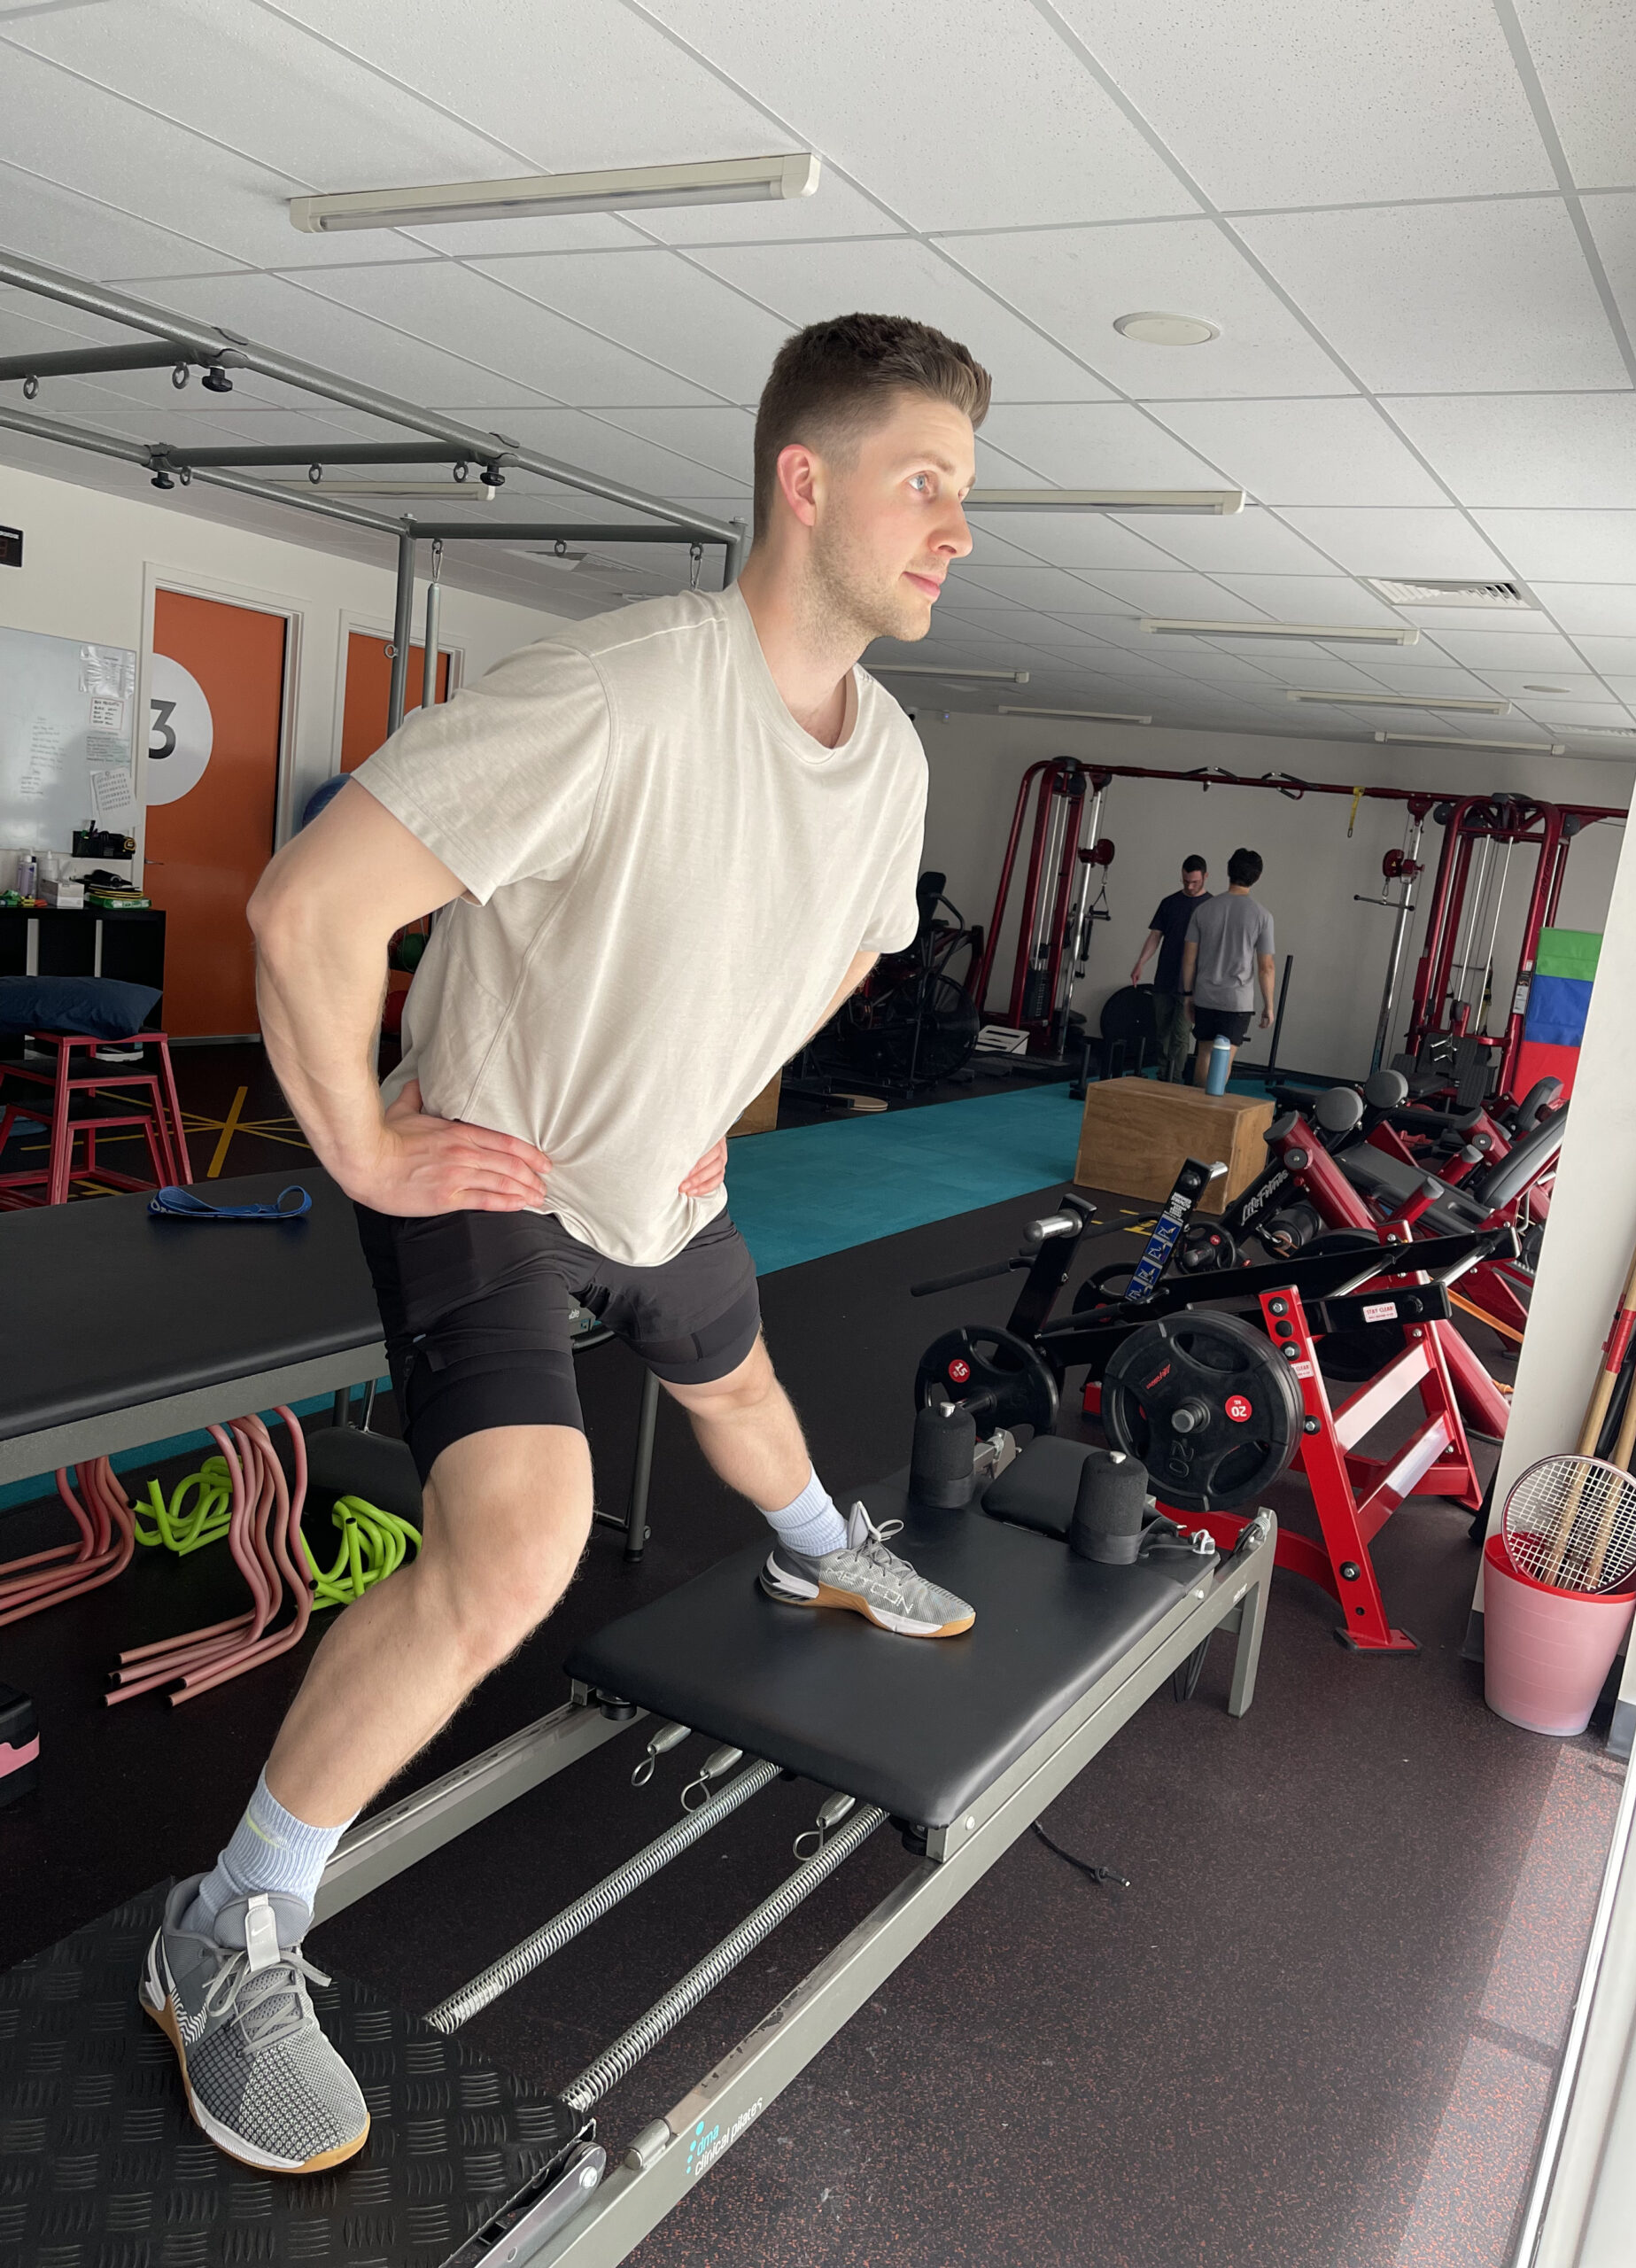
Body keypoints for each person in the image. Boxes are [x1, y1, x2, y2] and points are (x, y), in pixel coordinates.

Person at [139, 314, 993, 2176]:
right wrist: (364, 1135)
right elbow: (310, 906)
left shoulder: (895, 753)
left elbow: (845, 947)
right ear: (806, 481)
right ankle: (227, 1928)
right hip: (497, 1177)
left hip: (657, 1181)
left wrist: (716, 1090)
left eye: (965, 497)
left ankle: (816, 1555)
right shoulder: (622, 691)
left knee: (742, 1382)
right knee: (517, 1546)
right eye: (925, 484)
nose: (957, 529)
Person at [1180, 847, 1275, 1087]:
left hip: (1205, 996)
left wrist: (1188, 995)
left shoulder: (1203, 910)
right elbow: (1266, 967)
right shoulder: (1263, 916)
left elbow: (1189, 958)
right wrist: (1269, 1005)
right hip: (1237, 1001)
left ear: (1228, 871)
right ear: (1258, 877)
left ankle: (1198, 1107)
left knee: (1205, 1053)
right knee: (1225, 1058)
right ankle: (1213, 1108)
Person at [1129, 854, 1209, 1081]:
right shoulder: (1170, 903)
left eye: (1195, 882)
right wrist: (1140, 963)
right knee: (1162, 1031)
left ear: (1205, 877)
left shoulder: (1210, 907)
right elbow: (1155, 936)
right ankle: (1164, 1074)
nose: (1190, 886)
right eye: (1186, 882)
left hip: (1192, 983)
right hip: (1165, 977)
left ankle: (1174, 1078)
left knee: (1181, 1033)